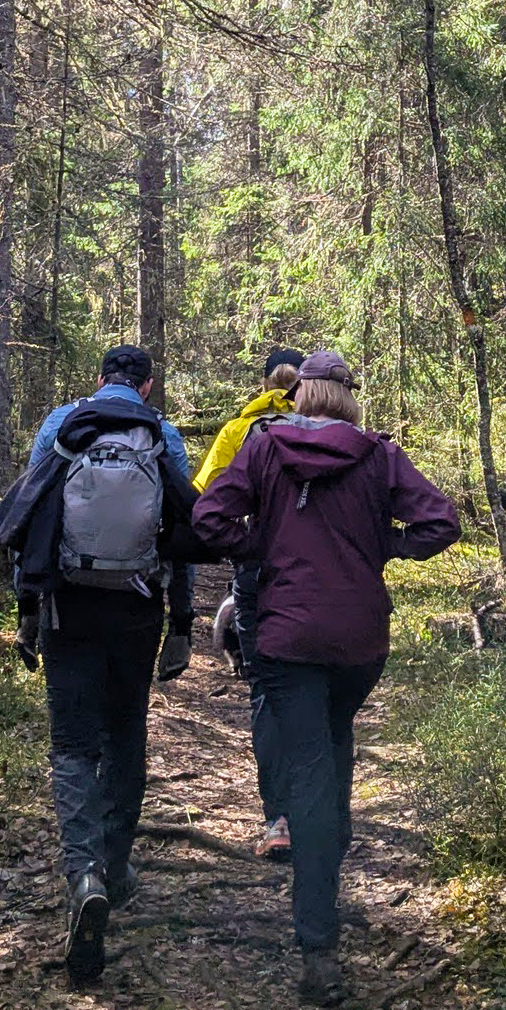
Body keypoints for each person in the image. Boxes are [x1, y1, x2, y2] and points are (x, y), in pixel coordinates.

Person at [191, 348, 459, 1005]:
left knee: (312, 770)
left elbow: (209, 518)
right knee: (332, 748)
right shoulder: (379, 455)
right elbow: (440, 522)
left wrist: (260, 547)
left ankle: (319, 948)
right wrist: (385, 545)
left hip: (287, 637)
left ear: (302, 394)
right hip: (358, 640)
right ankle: (325, 880)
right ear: (348, 397)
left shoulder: (265, 446)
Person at [0, 343, 198, 986]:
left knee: (74, 746)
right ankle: (112, 864)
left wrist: (27, 611)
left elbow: (32, 518)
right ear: (148, 384)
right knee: (125, 733)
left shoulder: (62, 424)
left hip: (68, 607)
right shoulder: (161, 434)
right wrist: (182, 623)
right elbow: (182, 535)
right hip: (137, 608)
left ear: (100, 379)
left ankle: (84, 874)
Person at [193, 345, 305, 860]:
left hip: (258, 575)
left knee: (265, 689)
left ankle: (277, 819)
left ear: (263, 385)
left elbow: (204, 499)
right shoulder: (328, 431)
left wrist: (242, 545)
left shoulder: (239, 431)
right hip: (317, 580)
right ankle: (320, 815)